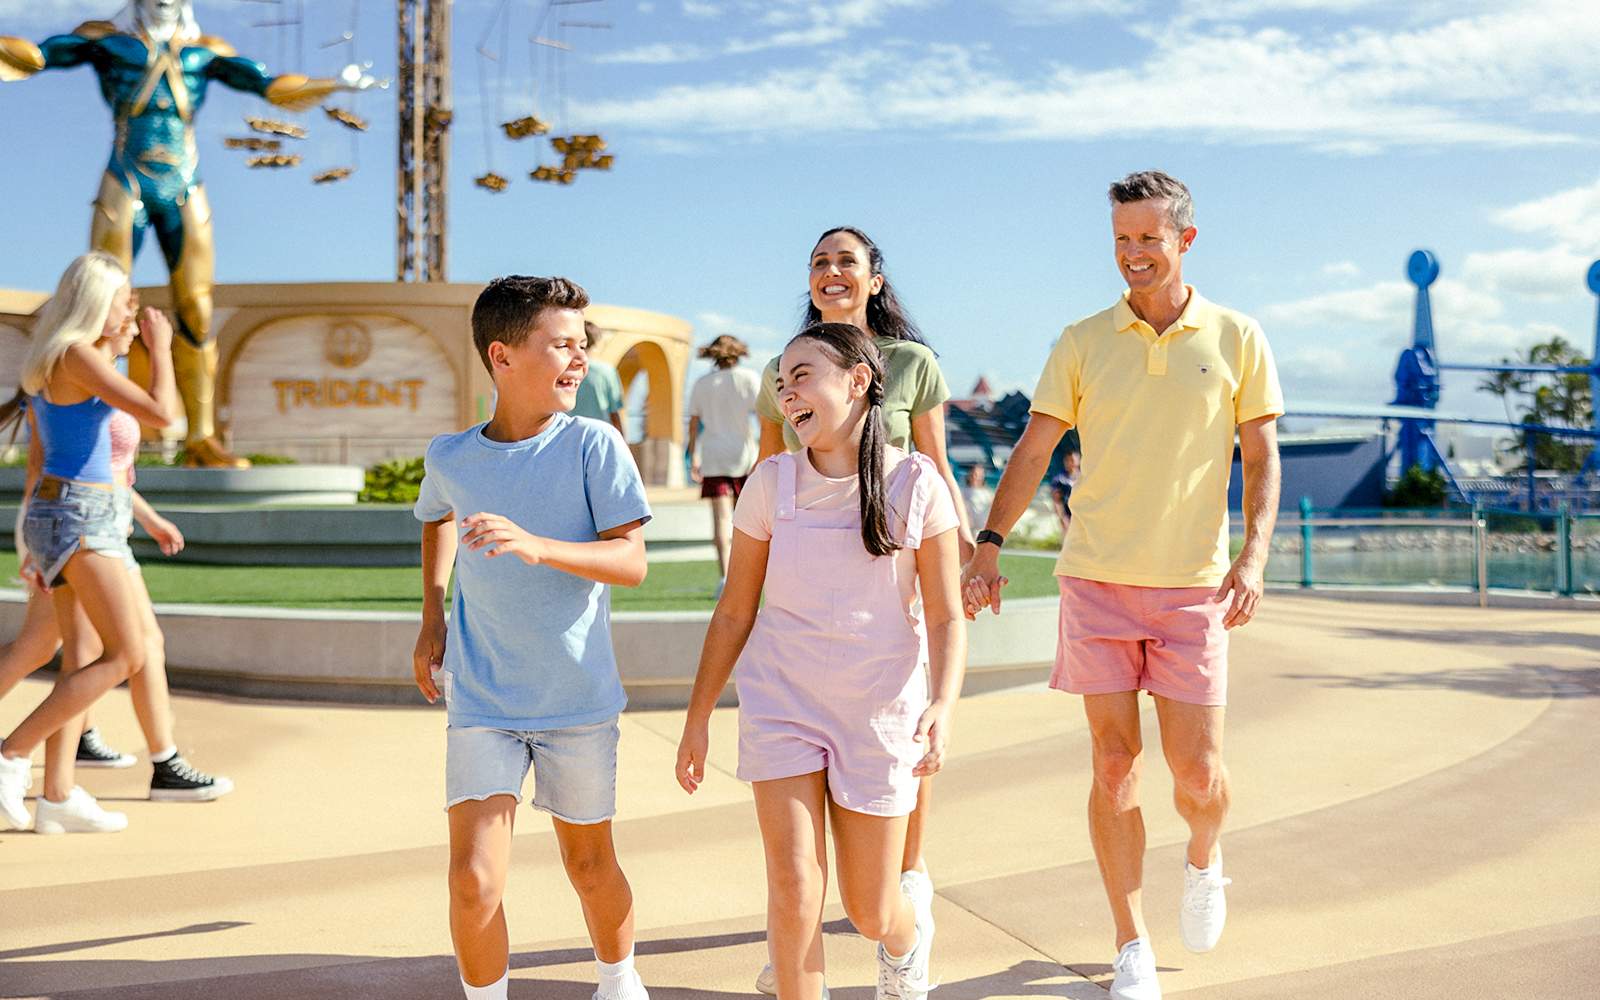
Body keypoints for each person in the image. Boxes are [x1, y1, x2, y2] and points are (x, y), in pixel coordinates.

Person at [962, 171, 1282, 1000]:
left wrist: (1253, 557)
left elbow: (1263, 457)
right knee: (1113, 766)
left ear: (1185, 241)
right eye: (1121, 239)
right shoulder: (1081, 340)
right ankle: (1130, 944)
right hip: (1096, 582)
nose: (1133, 255)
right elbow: (1033, 448)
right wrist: (990, 541)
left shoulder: (1239, 336)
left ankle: (1205, 860)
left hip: (1192, 590)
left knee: (1199, 777)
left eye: (1148, 238)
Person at [677, 323, 966, 1000]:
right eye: (781, 384)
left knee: (869, 910)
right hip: (784, 703)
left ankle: (907, 938)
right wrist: (697, 719)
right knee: (794, 885)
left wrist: (943, 704)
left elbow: (948, 614)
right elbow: (734, 612)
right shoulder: (770, 481)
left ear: (859, 382)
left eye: (802, 376)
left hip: (879, 712)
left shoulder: (918, 485)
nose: (787, 394)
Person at [0, 0, 376, 466]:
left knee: (197, 310)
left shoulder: (204, 53)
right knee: (98, 308)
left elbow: (265, 83)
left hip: (182, 183)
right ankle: (99, 431)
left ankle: (201, 439)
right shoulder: (108, 43)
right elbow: (38, 56)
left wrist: (333, 83)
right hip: (126, 180)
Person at [411, 276, 652, 1000]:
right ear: (503, 355)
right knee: (471, 880)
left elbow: (631, 562)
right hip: (483, 696)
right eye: (562, 346)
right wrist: (431, 616)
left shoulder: (593, 446)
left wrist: (537, 544)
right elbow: (437, 517)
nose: (579, 361)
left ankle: (618, 980)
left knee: (589, 866)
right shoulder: (452, 457)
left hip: (576, 700)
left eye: (583, 347)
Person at [750, 229, 971, 993]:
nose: (831, 273)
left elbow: (934, 464)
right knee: (796, 875)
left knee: (895, 773)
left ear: (875, 279)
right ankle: (797, 937)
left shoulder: (912, 364)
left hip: (893, 585)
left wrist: (969, 551)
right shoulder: (784, 368)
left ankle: (903, 899)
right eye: (818, 262)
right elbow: (770, 467)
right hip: (812, 592)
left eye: (847, 261)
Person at [0, 251, 181, 832]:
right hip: (79, 516)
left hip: (79, 512)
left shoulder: (80, 357)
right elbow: (163, 414)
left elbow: (60, 455)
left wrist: (129, 339)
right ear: (94, 302)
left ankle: (57, 798)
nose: (133, 309)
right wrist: (163, 349)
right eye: (124, 300)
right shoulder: (76, 356)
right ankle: (8, 754)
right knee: (126, 653)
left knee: (77, 655)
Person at [0, 390, 232, 814]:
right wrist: (161, 350)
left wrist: (147, 518)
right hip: (77, 526)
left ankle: (69, 782)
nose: (132, 320)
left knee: (61, 649)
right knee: (116, 650)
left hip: (98, 523)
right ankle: (156, 765)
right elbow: (57, 463)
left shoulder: (105, 366)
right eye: (127, 316)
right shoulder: (75, 366)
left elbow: (111, 469)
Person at [686, 334, 761, 582]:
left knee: (720, 520)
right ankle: (747, 575)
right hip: (745, 455)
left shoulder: (702, 383)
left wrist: (693, 456)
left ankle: (725, 578)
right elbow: (763, 418)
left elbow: (694, 423)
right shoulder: (749, 379)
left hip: (714, 456)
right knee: (749, 520)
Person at [573, 321, 628, 435]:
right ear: (595, 342)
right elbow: (615, 414)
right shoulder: (607, 372)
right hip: (598, 437)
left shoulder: (564, 371)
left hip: (568, 437)